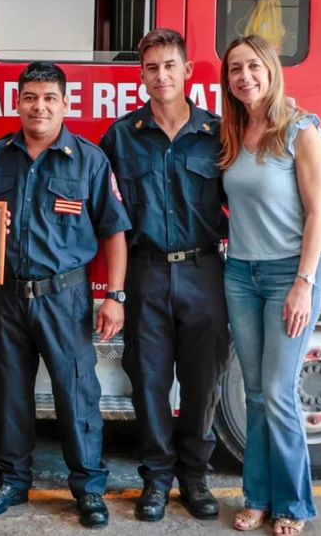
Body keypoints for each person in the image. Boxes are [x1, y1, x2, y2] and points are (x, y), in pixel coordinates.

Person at [0, 61, 131, 529]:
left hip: (64, 298)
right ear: (17, 102)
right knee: (9, 394)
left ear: (65, 104)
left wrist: (114, 296)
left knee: (77, 394)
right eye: (30, 97)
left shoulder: (90, 161)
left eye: (49, 98)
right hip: (7, 298)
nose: (39, 106)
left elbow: (114, 233)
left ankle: (89, 489)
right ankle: (12, 482)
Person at [99, 28, 230, 523]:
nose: (161, 76)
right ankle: (155, 481)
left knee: (203, 384)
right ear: (141, 75)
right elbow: (102, 210)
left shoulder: (218, 133)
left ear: (187, 71)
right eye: (151, 68)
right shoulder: (121, 136)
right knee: (149, 383)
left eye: (169, 65)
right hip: (146, 273)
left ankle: (194, 479)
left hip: (204, 271)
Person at [219, 35, 321, 536]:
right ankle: (257, 497)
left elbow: (317, 214)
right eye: (235, 69)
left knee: (280, 394)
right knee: (258, 395)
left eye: (253, 66)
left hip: (289, 274)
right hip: (241, 274)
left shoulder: (301, 129)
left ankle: (294, 505)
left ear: (271, 69)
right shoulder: (235, 130)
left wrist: (304, 283)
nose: (244, 76)